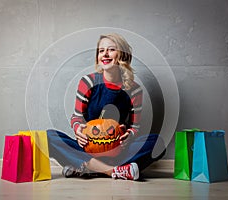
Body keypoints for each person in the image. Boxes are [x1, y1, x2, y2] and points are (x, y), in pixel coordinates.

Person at [47, 33, 165, 181]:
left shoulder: (134, 90)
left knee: (157, 143)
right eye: (101, 51)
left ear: (122, 54)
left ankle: (87, 168)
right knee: (49, 137)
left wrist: (129, 136)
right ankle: (113, 171)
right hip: (88, 148)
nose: (105, 54)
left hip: (118, 151)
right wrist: (78, 129)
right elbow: (77, 117)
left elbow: (135, 126)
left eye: (111, 49)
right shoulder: (88, 82)